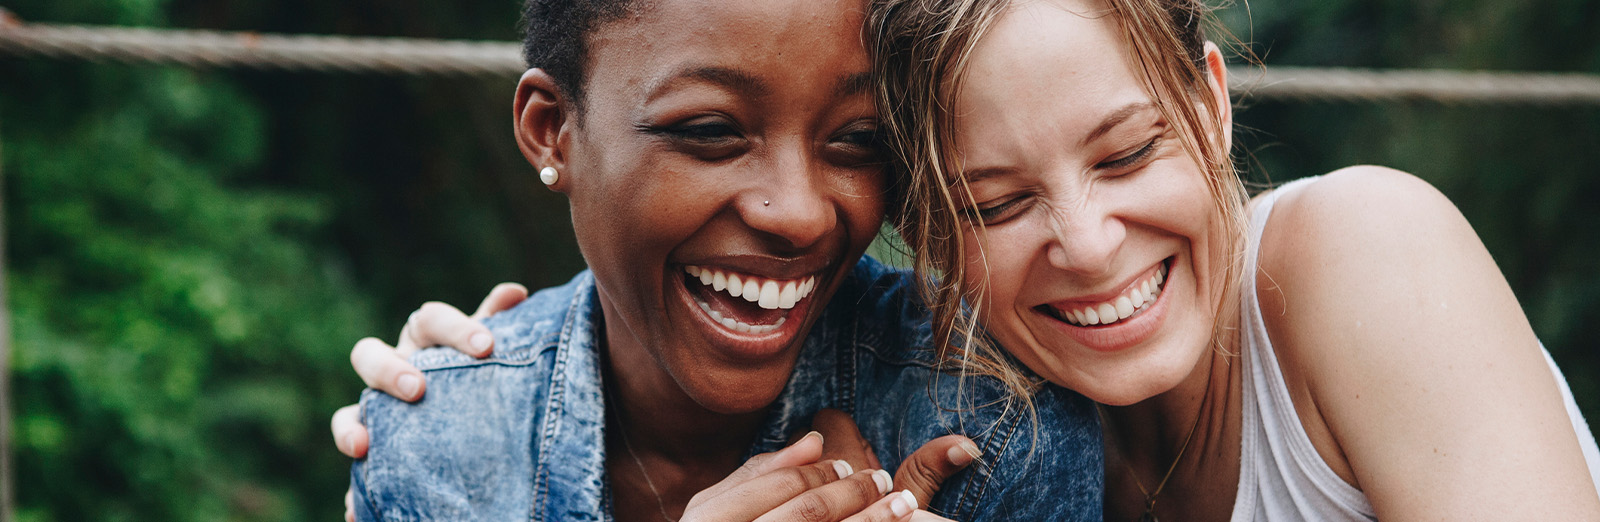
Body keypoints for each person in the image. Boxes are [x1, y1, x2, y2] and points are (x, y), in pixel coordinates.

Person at [339, 0, 1102, 520]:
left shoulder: (993, 423)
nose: (799, 211)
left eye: (857, 140)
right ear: (553, 131)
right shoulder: (436, 452)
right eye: (710, 131)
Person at [870, 0, 1600, 520]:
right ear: (928, 234)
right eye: (995, 205)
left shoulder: (1370, 247)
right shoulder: (969, 429)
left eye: (1127, 154)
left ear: (1213, 104)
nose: (1089, 247)